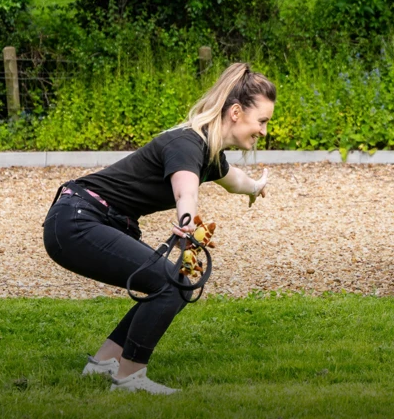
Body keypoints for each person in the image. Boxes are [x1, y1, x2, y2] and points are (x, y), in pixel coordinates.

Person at [41, 62, 273, 394]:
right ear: (236, 112)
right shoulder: (188, 144)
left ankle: (102, 365)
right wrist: (187, 224)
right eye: (261, 121)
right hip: (78, 220)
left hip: (83, 219)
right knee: (173, 284)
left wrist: (256, 186)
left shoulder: (208, 152)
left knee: (166, 284)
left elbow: (234, 180)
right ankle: (129, 378)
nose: (264, 130)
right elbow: (185, 190)